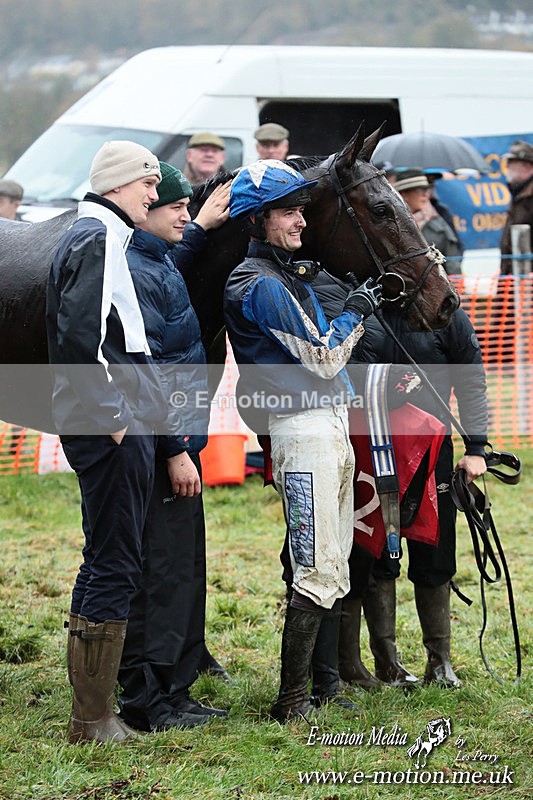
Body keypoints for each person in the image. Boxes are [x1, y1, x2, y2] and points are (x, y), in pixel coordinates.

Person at [223, 159, 383, 721]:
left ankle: (327, 687)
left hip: (328, 423)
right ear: (259, 221)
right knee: (316, 563)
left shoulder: (289, 275)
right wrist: (357, 312)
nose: (300, 221)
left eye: (300, 211)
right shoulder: (257, 283)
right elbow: (322, 357)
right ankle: (291, 700)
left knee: (334, 560)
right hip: (302, 429)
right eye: (288, 212)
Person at [46, 140, 167, 743]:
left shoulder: (104, 235)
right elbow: (76, 338)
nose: (155, 193)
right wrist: (114, 414)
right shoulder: (95, 237)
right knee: (113, 560)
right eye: (147, 183)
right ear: (118, 184)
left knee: (109, 557)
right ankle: (91, 719)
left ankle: (95, 712)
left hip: (114, 424)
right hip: (109, 429)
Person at [118, 163, 232, 732]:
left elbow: (179, 266)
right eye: (176, 208)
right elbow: (150, 374)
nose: (187, 216)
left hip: (181, 443)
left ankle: (176, 690)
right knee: (159, 573)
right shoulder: (138, 271)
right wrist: (174, 448)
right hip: (167, 448)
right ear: (147, 211)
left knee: (183, 569)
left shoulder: (159, 260)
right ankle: (148, 701)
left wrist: (203, 230)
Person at [342, 302, 488, 690]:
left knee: (435, 554)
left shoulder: (444, 309)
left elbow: (471, 378)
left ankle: (439, 662)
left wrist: (477, 447)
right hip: (372, 450)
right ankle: (386, 661)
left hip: (434, 453)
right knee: (378, 554)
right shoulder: (362, 308)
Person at [394, 168, 463, 274]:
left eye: (426, 190)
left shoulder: (439, 222)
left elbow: (453, 261)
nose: (425, 195)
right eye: (419, 191)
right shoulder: (390, 224)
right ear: (404, 194)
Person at [500, 140, 533, 274]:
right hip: (514, 279)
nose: (507, 167)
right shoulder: (519, 194)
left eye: (511, 162)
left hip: (528, 280)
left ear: (526, 165)